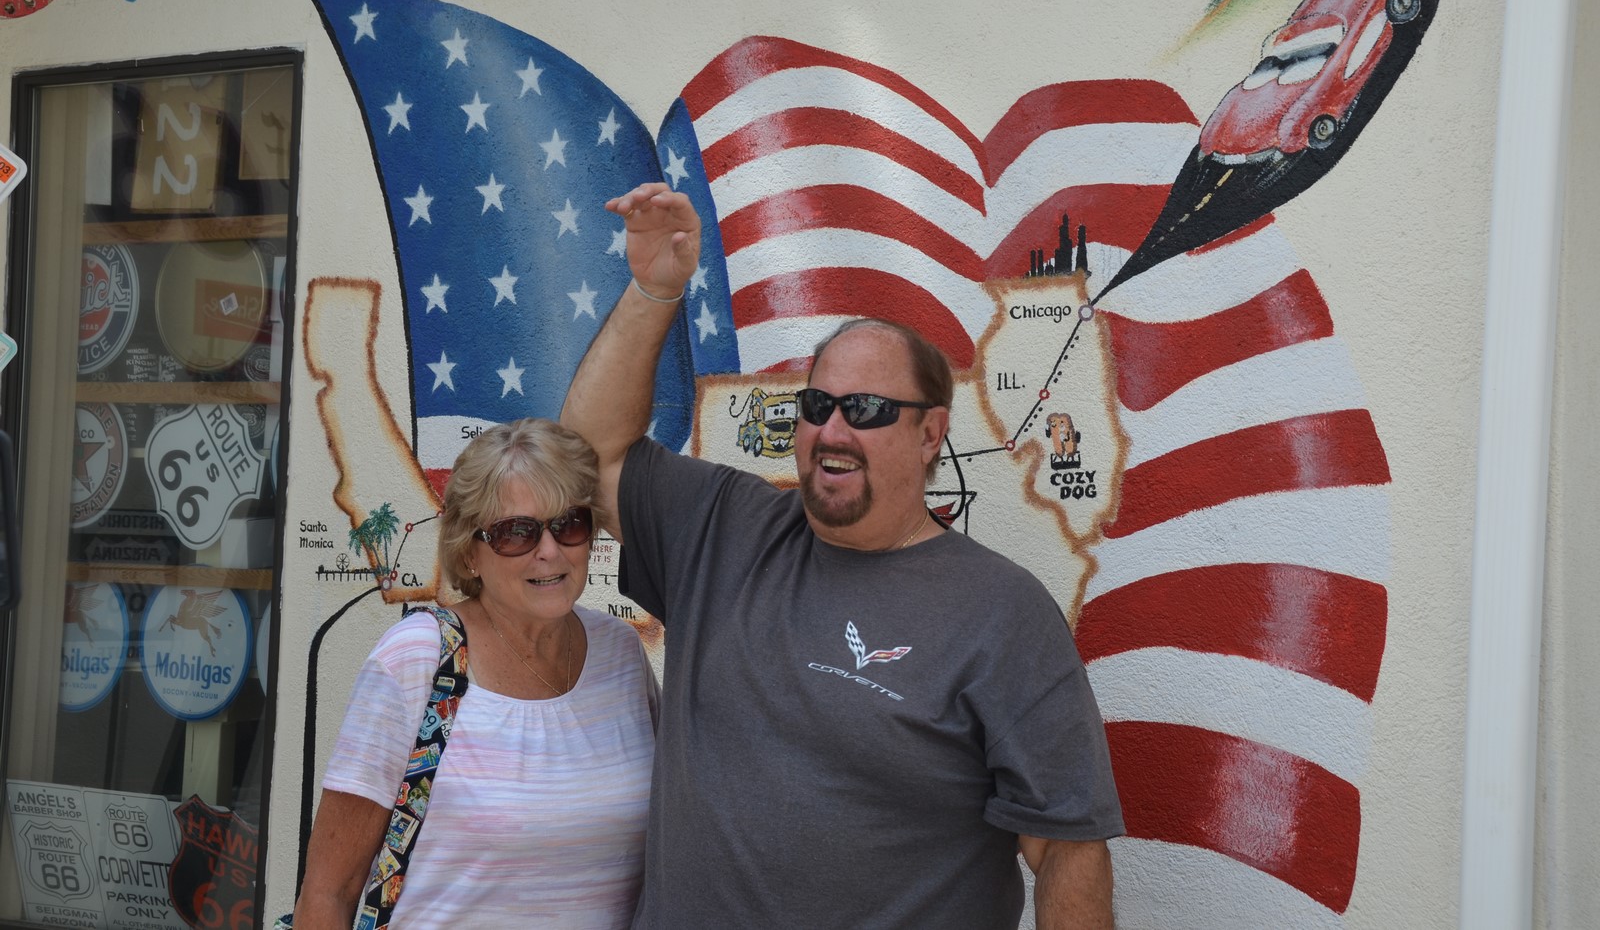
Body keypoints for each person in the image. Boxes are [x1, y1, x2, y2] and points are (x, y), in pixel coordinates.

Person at [560, 183, 1123, 929]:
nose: (832, 431)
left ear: (930, 435)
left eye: (865, 411)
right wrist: (654, 289)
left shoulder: (1001, 612)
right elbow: (585, 456)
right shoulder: (724, 525)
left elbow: (1067, 852)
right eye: (818, 407)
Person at [292, 418, 658, 928]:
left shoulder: (621, 655)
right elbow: (330, 891)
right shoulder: (416, 660)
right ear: (469, 551)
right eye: (516, 533)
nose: (549, 551)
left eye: (568, 524)